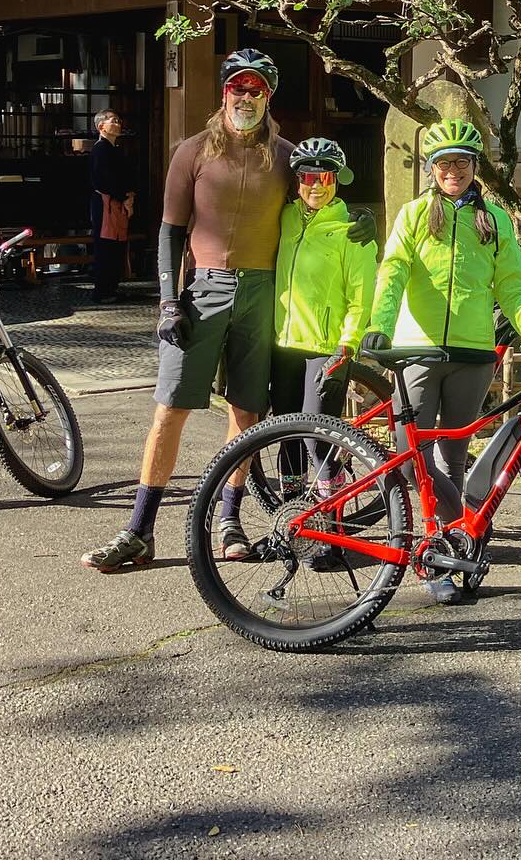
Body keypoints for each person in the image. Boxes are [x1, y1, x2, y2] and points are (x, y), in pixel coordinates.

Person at [81, 49, 373, 572]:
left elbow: (319, 197)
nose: (246, 96)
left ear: (269, 96)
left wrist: (361, 221)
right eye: (237, 86)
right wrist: (169, 300)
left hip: (265, 294)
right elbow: (170, 232)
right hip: (205, 289)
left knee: (246, 410)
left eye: (257, 89)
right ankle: (139, 529)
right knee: (170, 407)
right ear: (223, 92)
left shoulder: (285, 156)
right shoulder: (191, 152)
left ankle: (230, 520)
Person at [360, 118, 521, 603]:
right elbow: (393, 273)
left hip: (472, 354)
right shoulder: (412, 216)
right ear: (432, 169)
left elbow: (513, 290)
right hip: (417, 351)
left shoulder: (494, 220)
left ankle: (441, 560)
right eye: (445, 163)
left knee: (453, 458)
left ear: (474, 168)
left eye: (462, 163)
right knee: (411, 460)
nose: (454, 170)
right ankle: (460, 535)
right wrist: (380, 325)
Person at [270, 136, 376, 441]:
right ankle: (293, 492)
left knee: (317, 439)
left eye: (325, 177)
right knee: (285, 435)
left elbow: (360, 299)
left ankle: (333, 488)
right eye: (307, 177)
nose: (316, 186)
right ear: (297, 180)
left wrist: (346, 348)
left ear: (337, 179)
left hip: (326, 348)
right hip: (283, 344)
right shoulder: (286, 217)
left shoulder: (352, 231)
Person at [89, 109, 135, 304]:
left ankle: (112, 287)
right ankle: (102, 290)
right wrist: (123, 196)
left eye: (118, 120)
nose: (118, 124)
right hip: (106, 203)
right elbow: (102, 180)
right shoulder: (100, 149)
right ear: (102, 127)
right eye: (113, 120)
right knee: (106, 245)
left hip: (118, 202)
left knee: (117, 245)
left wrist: (129, 195)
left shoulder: (114, 149)